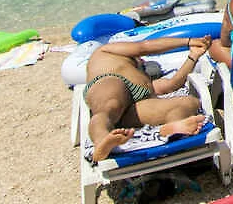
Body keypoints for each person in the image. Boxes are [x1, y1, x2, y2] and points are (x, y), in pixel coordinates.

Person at [83, 36, 212, 162]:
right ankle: (102, 143)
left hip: (133, 108)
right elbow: (143, 47)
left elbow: (172, 85)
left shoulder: (145, 79)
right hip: (111, 81)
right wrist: (188, 41)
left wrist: (193, 56)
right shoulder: (106, 51)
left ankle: (169, 132)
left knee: (188, 103)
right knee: (110, 106)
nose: (143, 60)